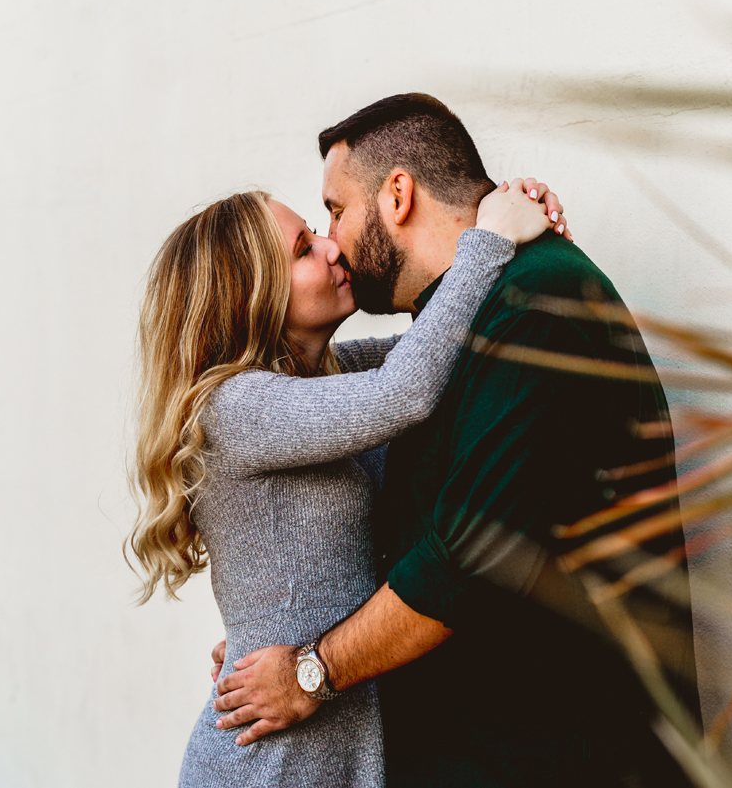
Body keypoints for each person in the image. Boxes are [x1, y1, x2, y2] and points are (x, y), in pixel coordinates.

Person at [212, 94, 701, 787]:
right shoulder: (462, 326)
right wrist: (276, 622)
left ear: (399, 194)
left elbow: (471, 558)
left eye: (335, 210)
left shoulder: (538, 305)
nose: (333, 240)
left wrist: (311, 669)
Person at [128, 177, 566, 787]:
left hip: (329, 739)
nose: (332, 249)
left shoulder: (329, 377)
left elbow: (440, 343)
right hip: (272, 759)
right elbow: (406, 392)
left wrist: (515, 225)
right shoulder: (238, 408)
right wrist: (488, 237)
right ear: (251, 298)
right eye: (304, 248)